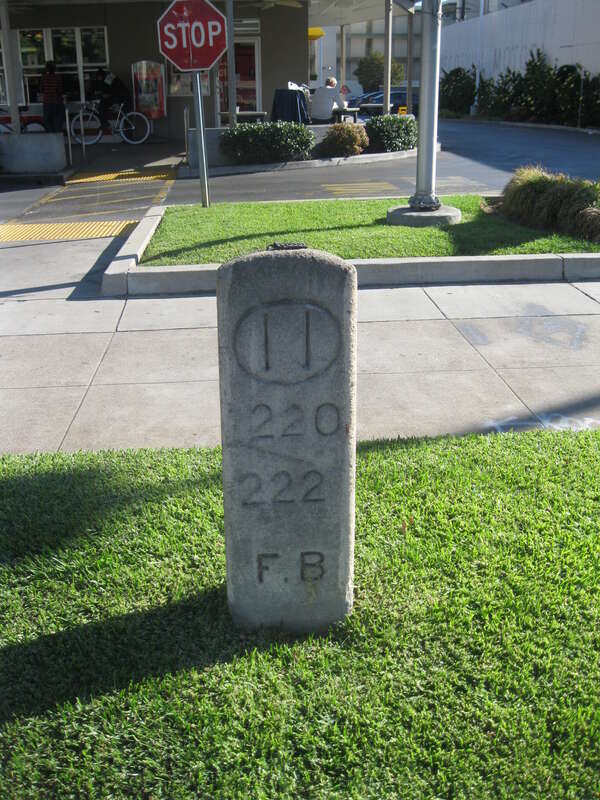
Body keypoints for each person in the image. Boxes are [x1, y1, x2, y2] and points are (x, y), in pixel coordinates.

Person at [40, 61, 64, 133]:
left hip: (47, 103)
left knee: (47, 121)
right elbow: (60, 90)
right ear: (55, 69)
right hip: (57, 103)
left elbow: (41, 89)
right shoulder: (58, 78)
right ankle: (57, 136)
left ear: (47, 68)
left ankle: (52, 134)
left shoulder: (44, 78)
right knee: (58, 123)